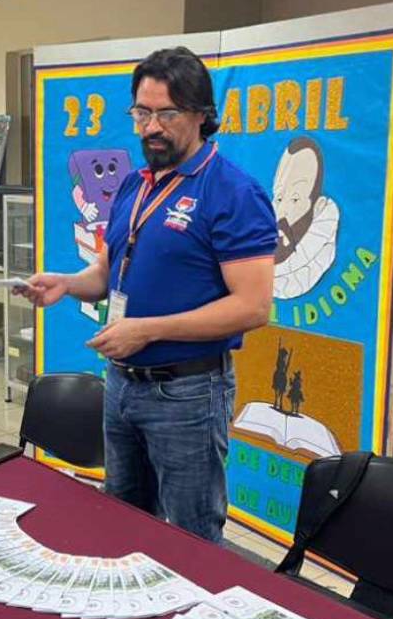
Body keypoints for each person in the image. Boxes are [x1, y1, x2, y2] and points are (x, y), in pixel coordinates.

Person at [21, 46, 276, 543]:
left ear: (202, 116)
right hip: (122, 386)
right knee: (122, 521)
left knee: (191, 536)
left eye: (166, 113)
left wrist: (148, 331)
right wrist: (68, 284)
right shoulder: (134, 189)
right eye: (142, 112)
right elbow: (108, 270)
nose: (150, 127)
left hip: (188, 393)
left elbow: (253, 306)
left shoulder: (233, 192)